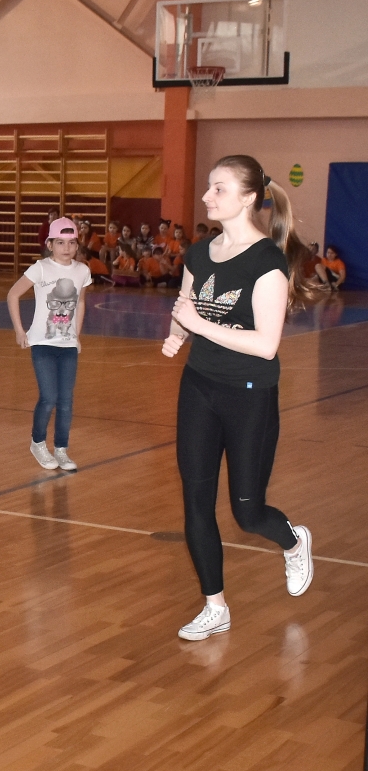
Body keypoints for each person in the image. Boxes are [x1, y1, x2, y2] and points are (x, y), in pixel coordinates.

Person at [161, 155, 315, 642]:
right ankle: (215, 607)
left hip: (249, 395)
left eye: (219, 189)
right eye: (209, 187)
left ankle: (293, 541)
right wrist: (177, 334)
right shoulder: (199, 253)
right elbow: (186, 308)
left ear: (248, 198)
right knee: (196, 503)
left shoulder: (267, 262)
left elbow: (266, 344)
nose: (207, 196)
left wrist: (198, 325)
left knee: (247, 511)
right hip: (199, 387)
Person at [6, 217, 91, 472]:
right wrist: (19, 330)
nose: (67, 247)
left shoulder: (82, 271)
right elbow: (13, 294)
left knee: (66, 400)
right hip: (42, 342)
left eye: (72, 242)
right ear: (50, 244)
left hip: (68, 345)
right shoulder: (40, 268)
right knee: (49, 396)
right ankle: (38, 442)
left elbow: (81, 302)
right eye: (60, 242)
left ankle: (61, 449)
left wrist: (77, 335)